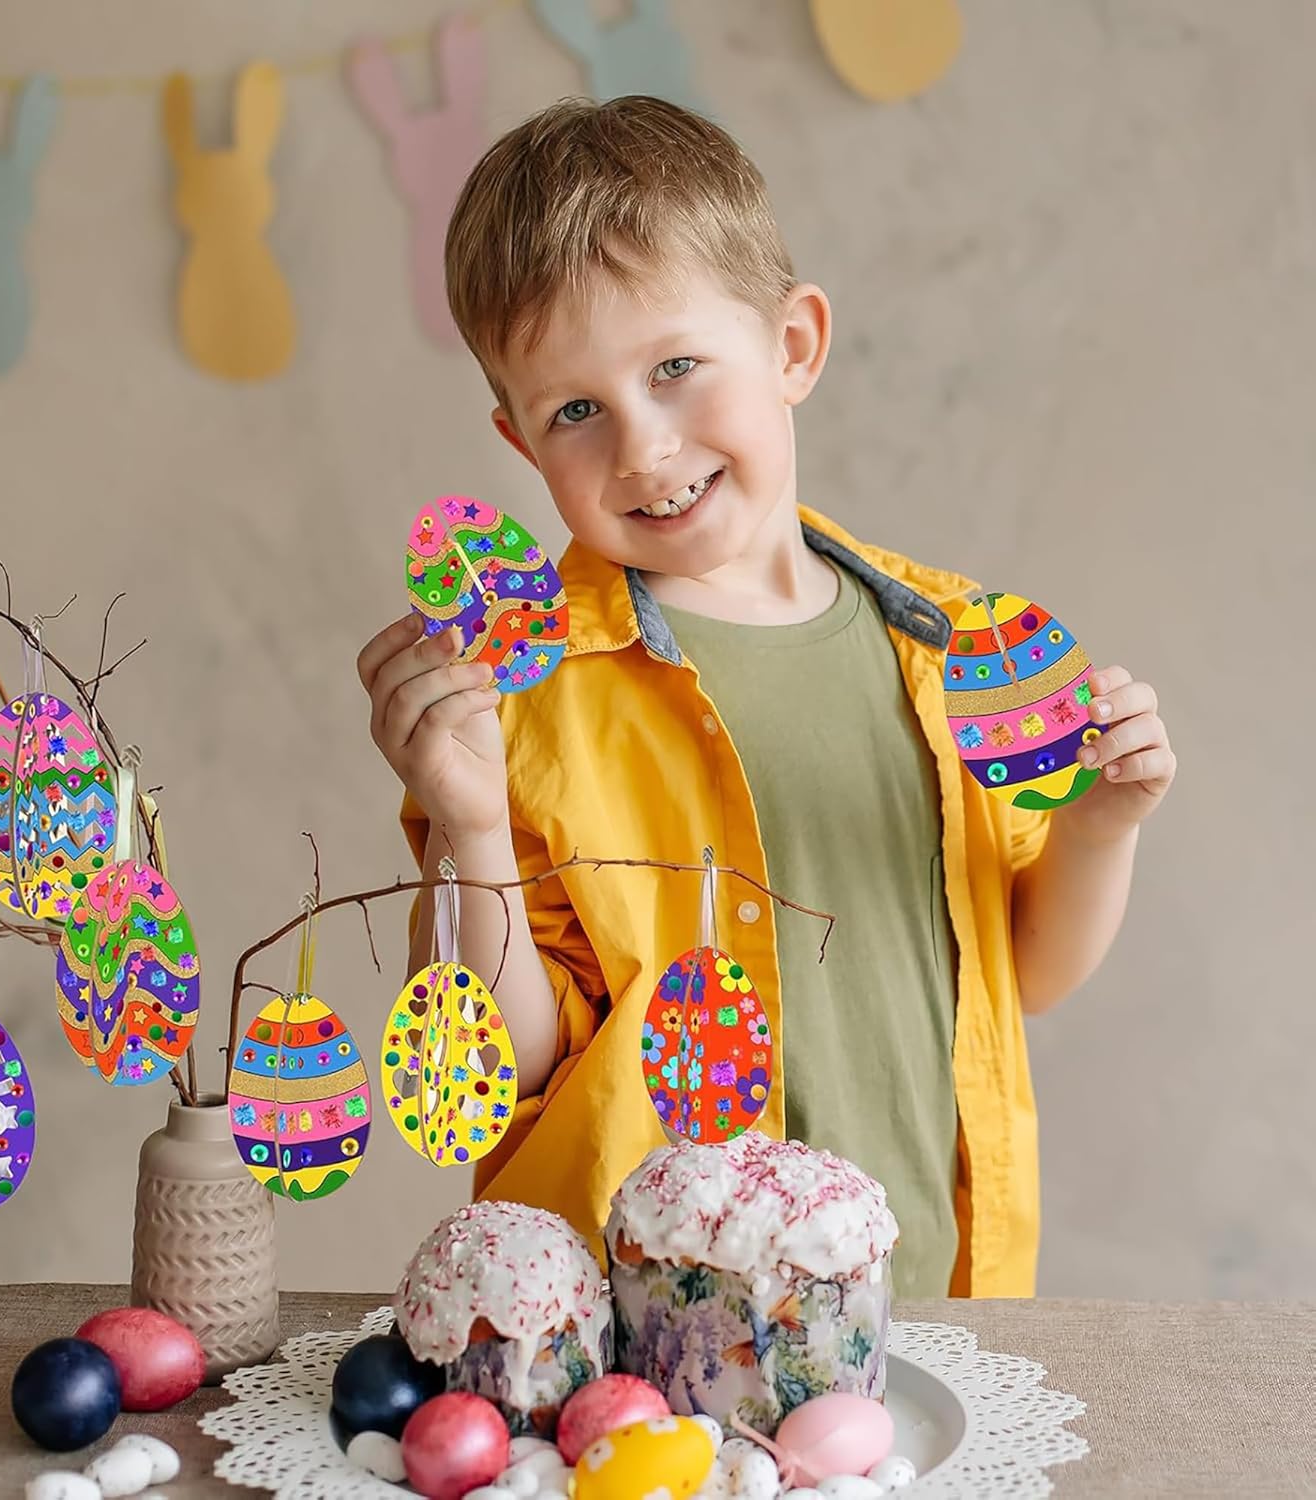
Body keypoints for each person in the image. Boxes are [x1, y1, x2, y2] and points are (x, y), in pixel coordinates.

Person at [356, 96, 1176, 1295]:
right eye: (575, 411)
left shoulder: (957, 652)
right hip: (633, 1331)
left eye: (677, 368)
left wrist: (1105, 821)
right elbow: (505, 1075)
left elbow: (1025, 974)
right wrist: (471, 828)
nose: (640, 447)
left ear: (792, 346)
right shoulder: (513, 700)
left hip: (925, 1312)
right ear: (521, 445)